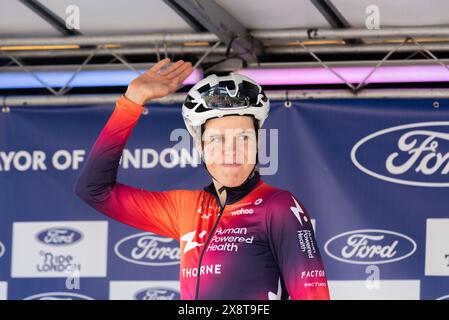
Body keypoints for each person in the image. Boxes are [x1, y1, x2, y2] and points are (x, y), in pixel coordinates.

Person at [74, 58, 330, 300]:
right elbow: (94, 189)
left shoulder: (278, 206)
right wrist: (133, 100)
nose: (232, 150)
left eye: (243, 138)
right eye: (217, 139)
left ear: (258, 142)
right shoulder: (185, 208)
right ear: (200, 146)